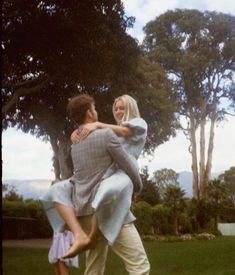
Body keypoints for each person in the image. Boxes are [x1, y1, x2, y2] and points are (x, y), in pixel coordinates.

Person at [41, 94, 150, 274]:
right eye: (95, 108)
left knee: (94, 269)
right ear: (90, 114)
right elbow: (128, 165)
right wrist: (137, 187)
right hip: (108, 209)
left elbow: (82, 175)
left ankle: (80, 239)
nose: (98, 111)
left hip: (84, 211)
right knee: (140, 266)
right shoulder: (106, 134)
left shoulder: (76, 140)